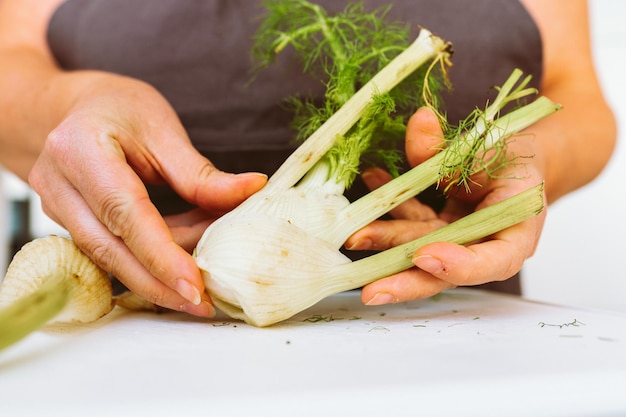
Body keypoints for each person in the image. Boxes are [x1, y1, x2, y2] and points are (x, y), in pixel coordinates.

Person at [0, 0, 616, 317]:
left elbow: (577, 94)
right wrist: (74, 101)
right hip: (138, 319)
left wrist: (532, 158)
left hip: (451, 330)